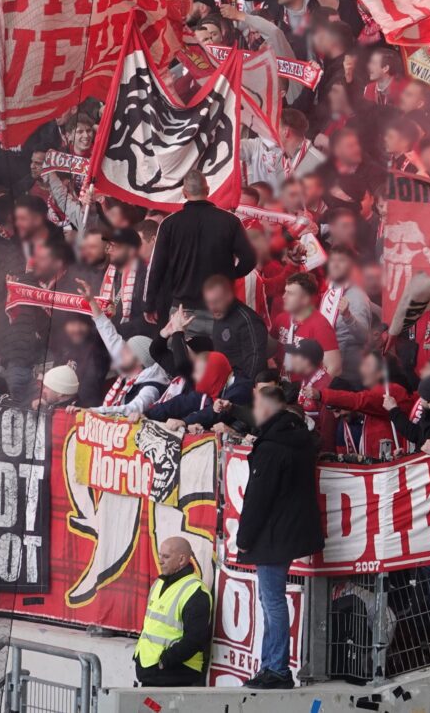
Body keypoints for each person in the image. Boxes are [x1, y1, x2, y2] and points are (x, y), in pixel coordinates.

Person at [235, 383, 321, 689]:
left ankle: (277, 668)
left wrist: (244, 539)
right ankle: (271, 664)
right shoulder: (297, 436)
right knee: (271, 599)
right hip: (288, 530)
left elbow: (258, 499)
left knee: (272, 601)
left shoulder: (272, 447)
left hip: (272, 534)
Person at [146, 172, 257, 318]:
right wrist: (229, 275)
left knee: (182, 342)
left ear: (184, 193)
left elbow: (157, 267)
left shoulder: (169, 224)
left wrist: (150, 305)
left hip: (182, 310)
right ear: (208, 190)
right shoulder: (230, 221)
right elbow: (249, 259)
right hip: (220, 308)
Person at [133, 537, 211, 687]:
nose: (160, 560)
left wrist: (164, 661)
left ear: (181, 560)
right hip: (151, 672)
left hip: (175, 676)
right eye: (160, 555)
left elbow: (194, 640)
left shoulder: (195, 591)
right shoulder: (158, 583)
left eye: (166, 556)